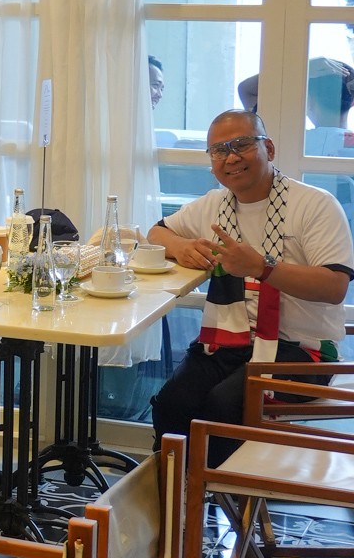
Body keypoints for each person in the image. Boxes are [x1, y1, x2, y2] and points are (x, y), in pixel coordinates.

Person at [148, 110, 354, 462]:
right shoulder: (215, 204)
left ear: (268, 149)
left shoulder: (315, 204)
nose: (230, 158)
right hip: (229, 343)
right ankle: (172, 490)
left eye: (242, 144)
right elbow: (156, 233)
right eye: (219, 150)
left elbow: (335, 287)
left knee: (223, 405)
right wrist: (182, 247)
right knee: (172, 402)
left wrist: (262, 267)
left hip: (302, 351)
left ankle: (215, 489)